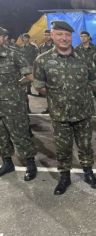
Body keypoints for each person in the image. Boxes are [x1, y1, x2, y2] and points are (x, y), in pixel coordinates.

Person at [33, 21, 96, 195]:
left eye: (67, 35)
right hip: (59, 114)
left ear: (72, 37)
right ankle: (64, 177)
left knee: (85, 146)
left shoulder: (84, 58)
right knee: (63, 148)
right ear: (52, 36)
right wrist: (59, 97)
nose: (64, 38)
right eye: (60, 34)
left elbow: (94, 83)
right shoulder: (42, 60)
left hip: (83, 113)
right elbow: (40, 87)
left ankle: (88, 173)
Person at [0, 26, 37, 181]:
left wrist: (15, 86)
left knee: (20, 133)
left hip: (13, 103)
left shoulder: (14, 54)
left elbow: (30, 77)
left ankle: (30, 164)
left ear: (3, 38)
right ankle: (7, 163)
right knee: (1, 135)